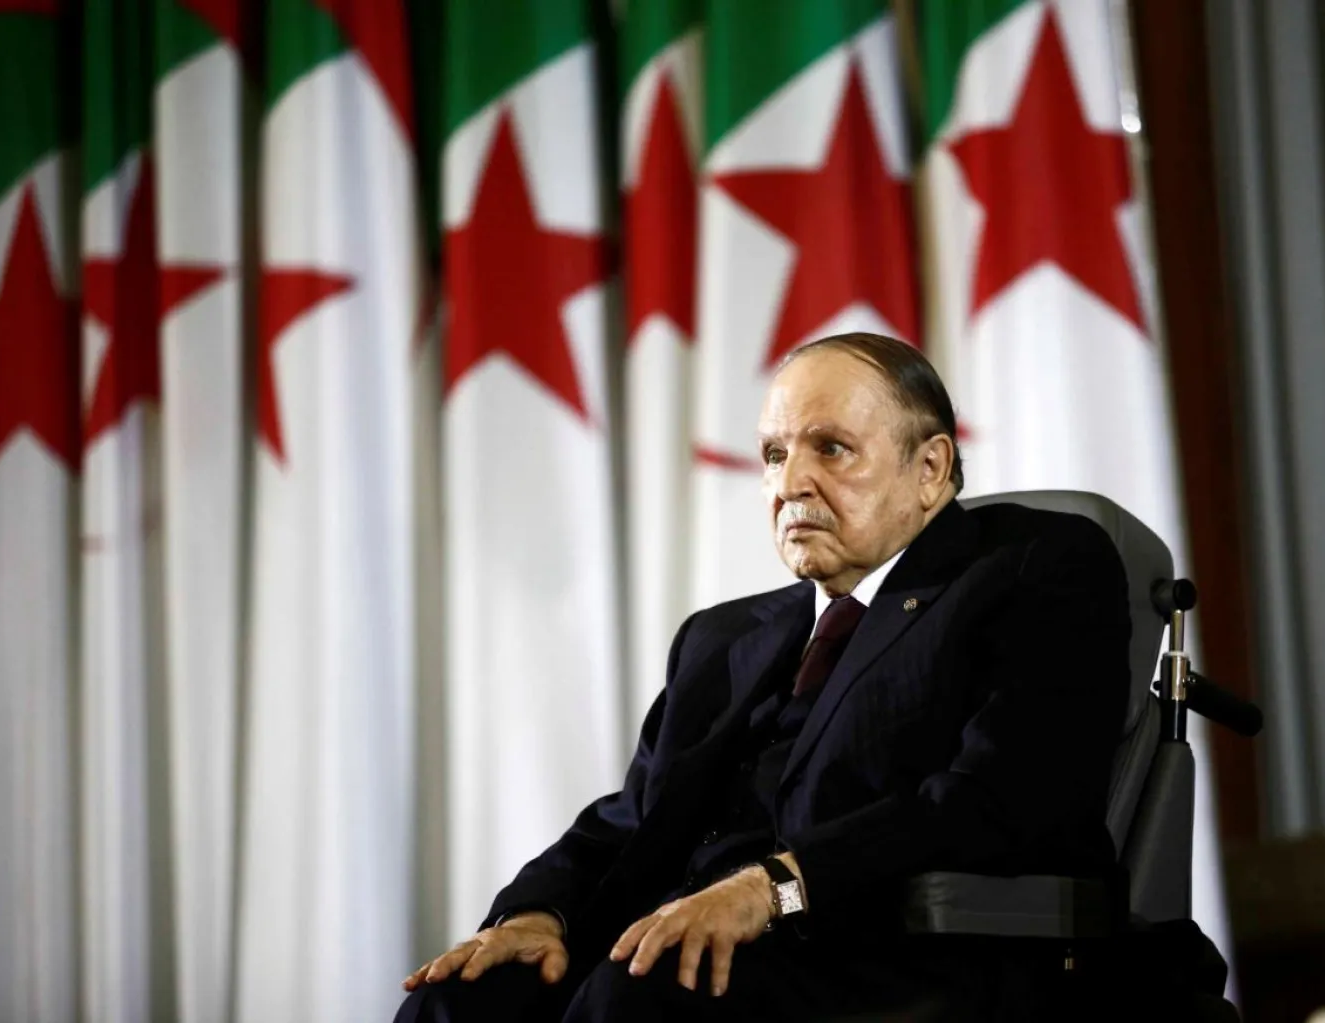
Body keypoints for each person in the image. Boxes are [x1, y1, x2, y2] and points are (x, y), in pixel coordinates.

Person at [395, 332, 1133, 1022]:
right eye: (774, 454)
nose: (792, 481)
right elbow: (632, 818)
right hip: (694, 946)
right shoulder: (723, 637)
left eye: (832, 448)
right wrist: (536, 913)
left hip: (900, 954)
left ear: (930, 470)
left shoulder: (1034, 568)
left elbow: (1001, 798)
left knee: (644, 990)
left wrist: (776, 884)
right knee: (462, 999)